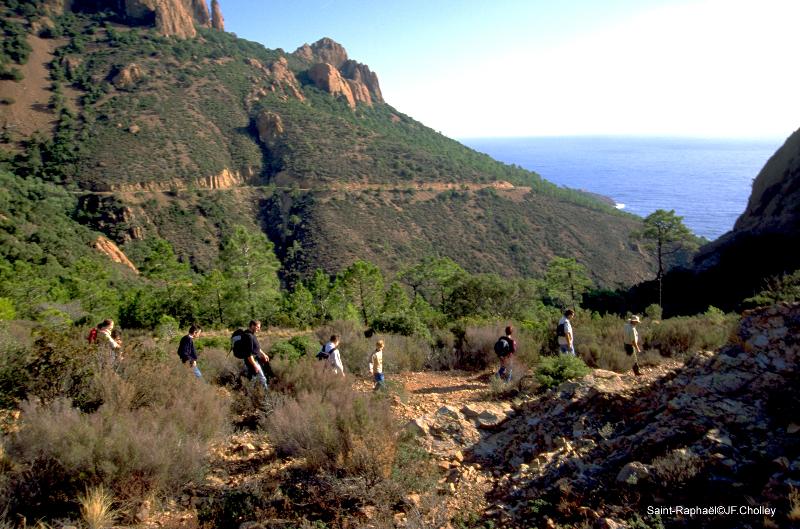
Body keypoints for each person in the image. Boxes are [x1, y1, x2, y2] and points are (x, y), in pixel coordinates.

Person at [241, 320, 270, 390]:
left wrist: (263, 354)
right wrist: (254, 365)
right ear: (252, 326)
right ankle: (267, 396)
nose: (259, 329)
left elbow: (256, 347)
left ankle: (248, 394)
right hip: (252, 361)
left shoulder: (251, 334)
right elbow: (248, 353)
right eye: (257, 327)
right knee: (262, 379)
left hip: (254, 360)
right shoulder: (249, 336)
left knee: (253, 379)